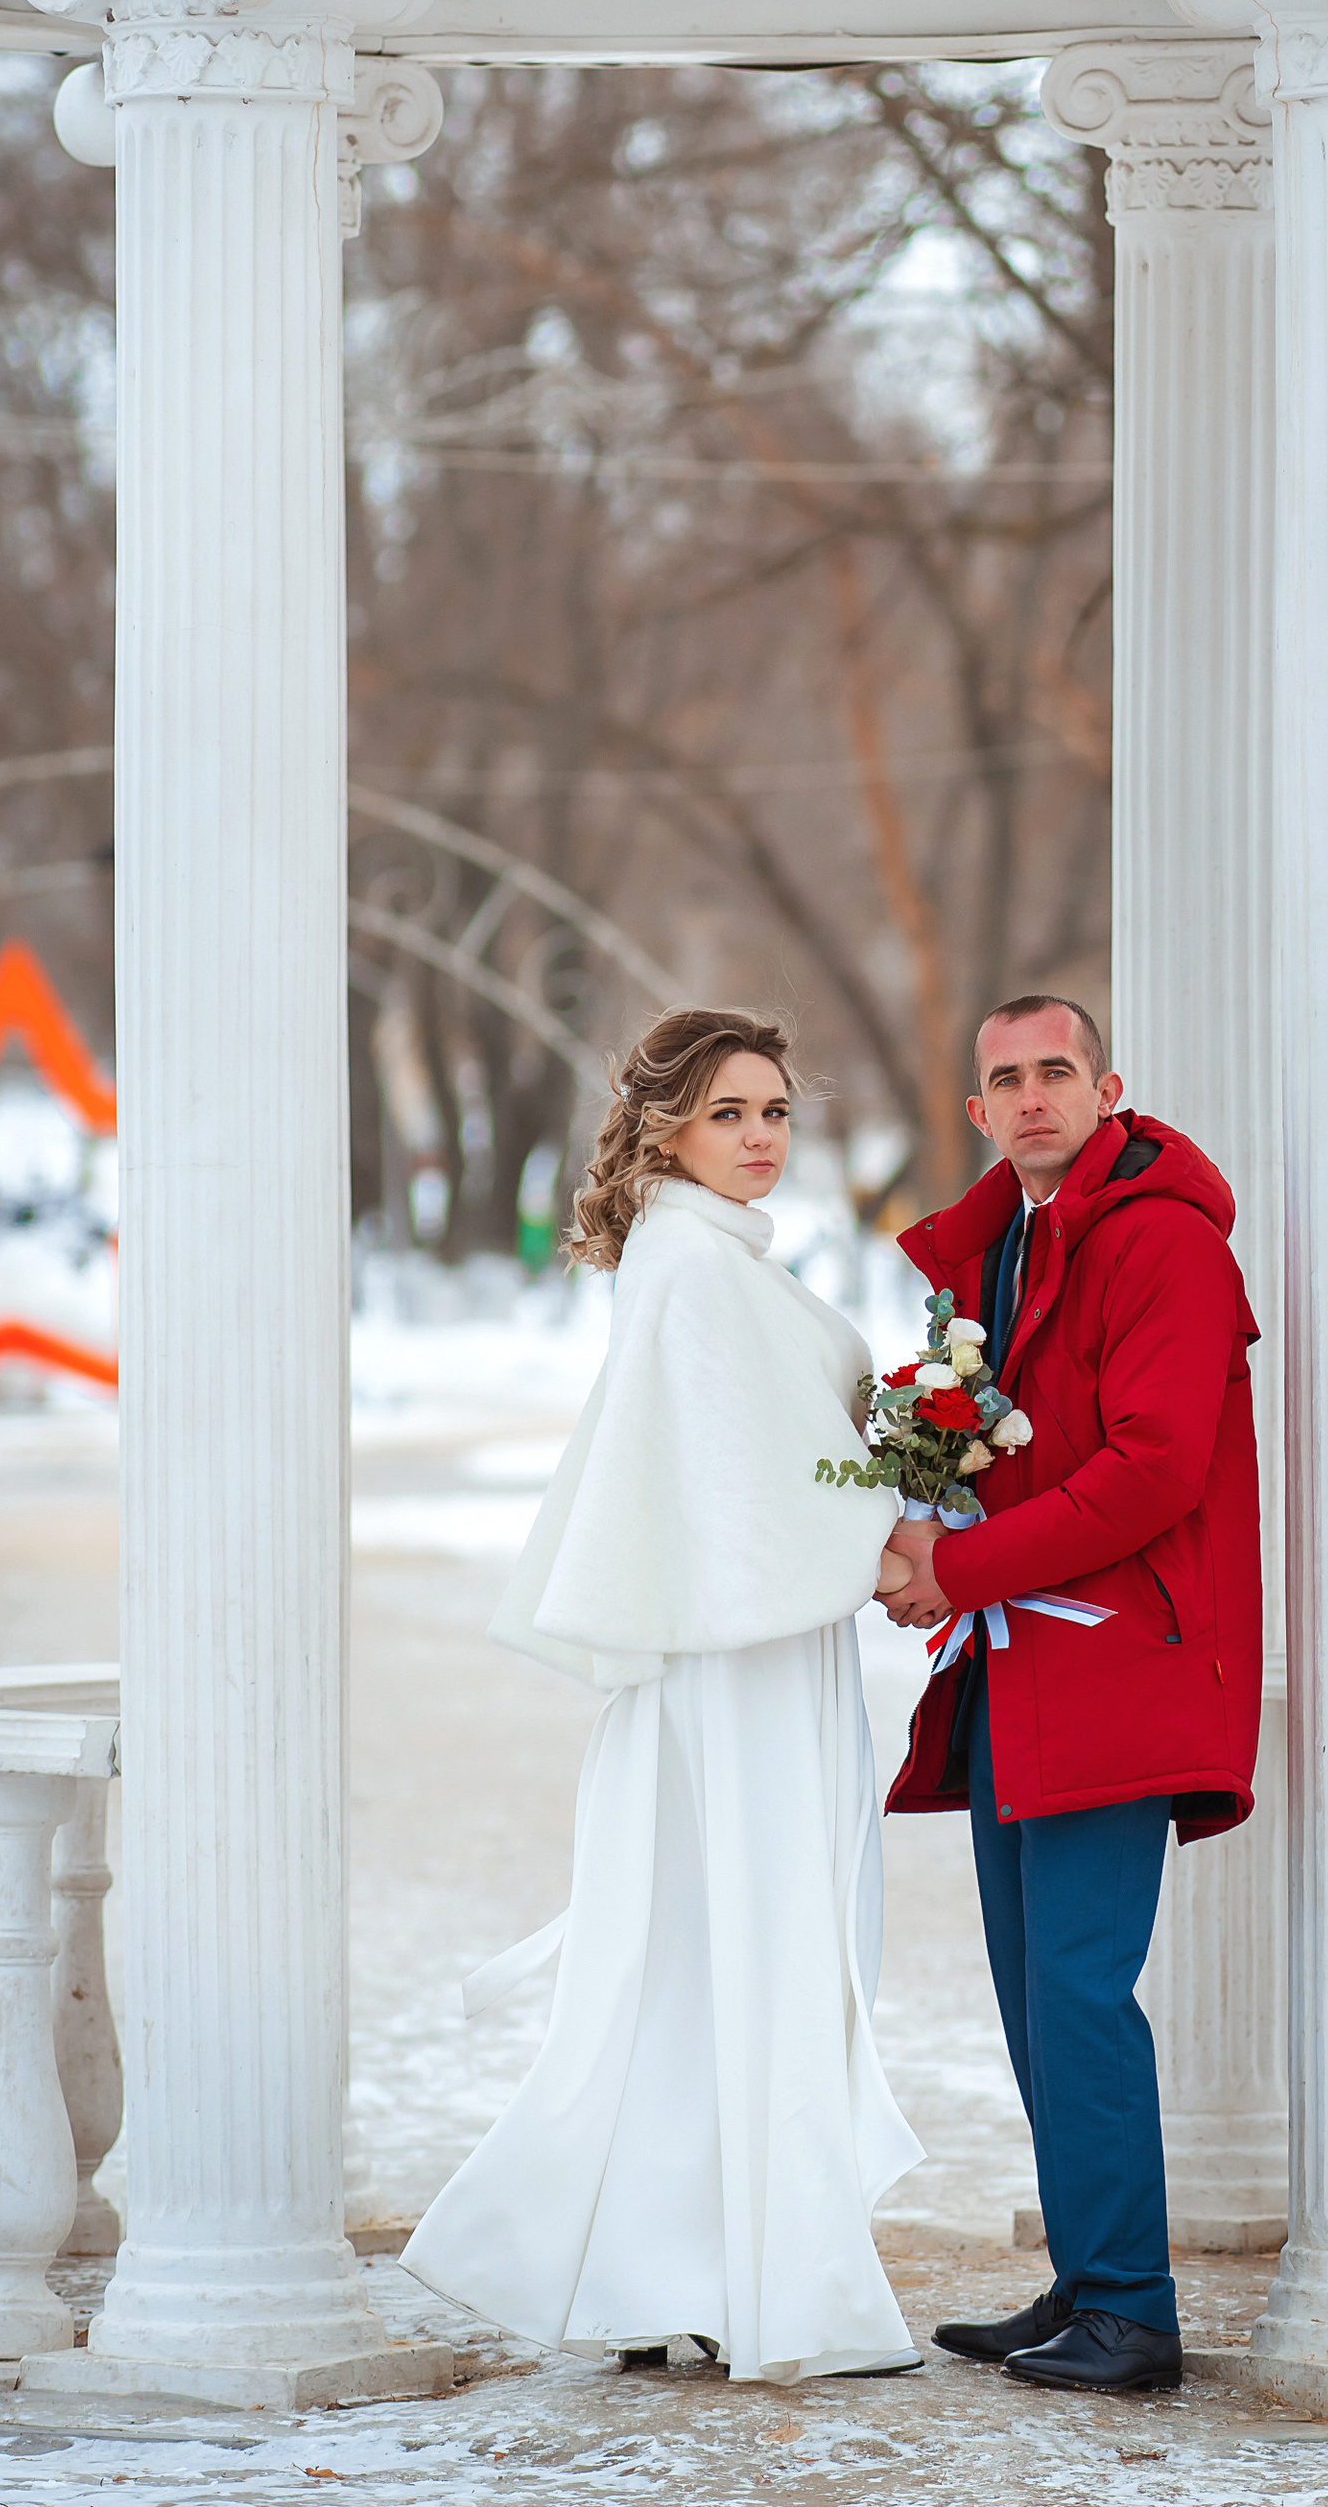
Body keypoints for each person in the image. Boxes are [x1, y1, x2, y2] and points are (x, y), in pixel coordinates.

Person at [402, 1008, 924, 2383]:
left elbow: (761, 1468)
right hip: (738, 1666)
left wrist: (899, 1487)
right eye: (730, 1112)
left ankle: (672, 2262)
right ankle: (761, 2280)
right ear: (668, 1131)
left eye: (776, 1111)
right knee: (754, 1939)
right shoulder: (693, 1272)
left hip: (751, 1647)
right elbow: (741, 1490)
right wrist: (899, 1524)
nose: (762, 1136)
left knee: (710, 1948)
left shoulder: (710, 1263)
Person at [880, 995, 1262, 2397]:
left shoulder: (1159, 1238)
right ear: (977, 1111)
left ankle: (1136, 2312)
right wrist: (919, 1517)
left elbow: (1157, 1463)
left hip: (1120, 1654)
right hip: (1020, 1661)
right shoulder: (1010, 1246)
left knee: (1084, 1991)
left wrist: (960, 1560)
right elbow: (994, 1435)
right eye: (1005, 1079)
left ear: (1108, 1086)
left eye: (1056, 1071)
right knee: (1036, 1996)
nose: (1032, 1096)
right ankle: (1092, 2278)